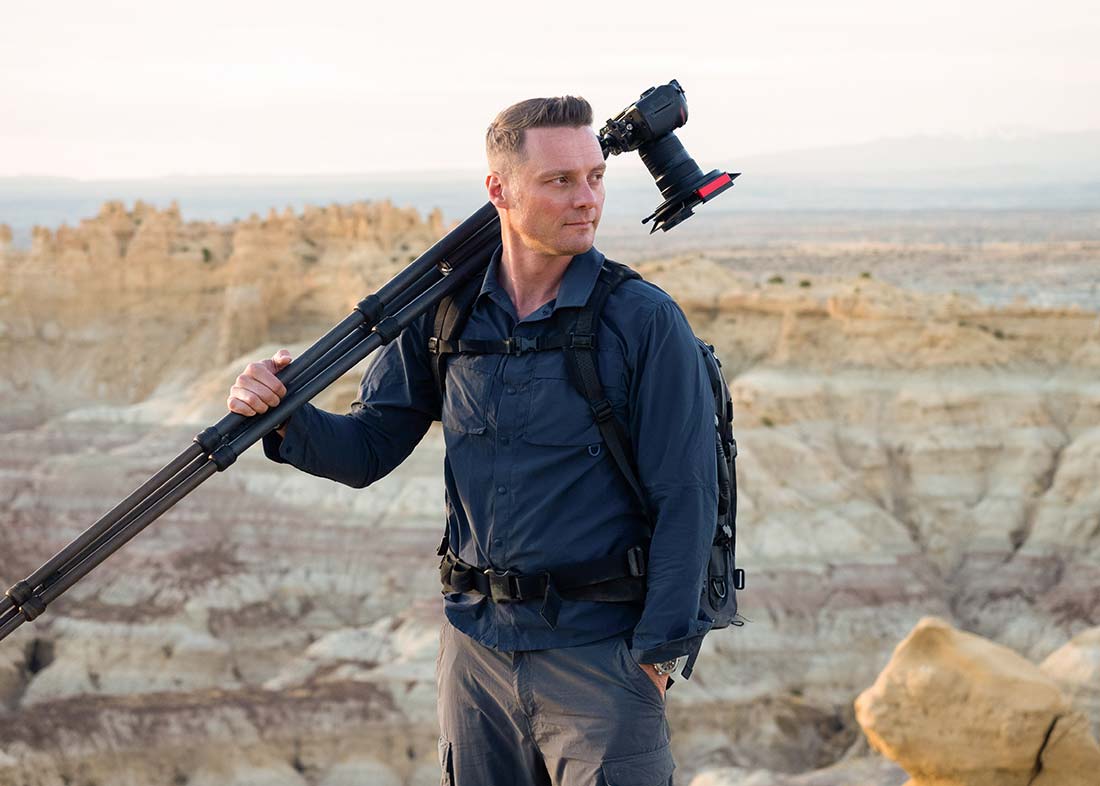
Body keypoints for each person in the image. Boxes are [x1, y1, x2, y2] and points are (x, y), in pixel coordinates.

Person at [228, 95, 716, 786]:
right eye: (560, 181)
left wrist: (657, 664)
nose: (587, 200)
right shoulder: (445, 311)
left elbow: (688, 497)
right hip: (474, 657)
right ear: (500, 189)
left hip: (600, 661)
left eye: (596, 177)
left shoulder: (642, 320)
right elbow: (368, 449)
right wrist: (282, 415)